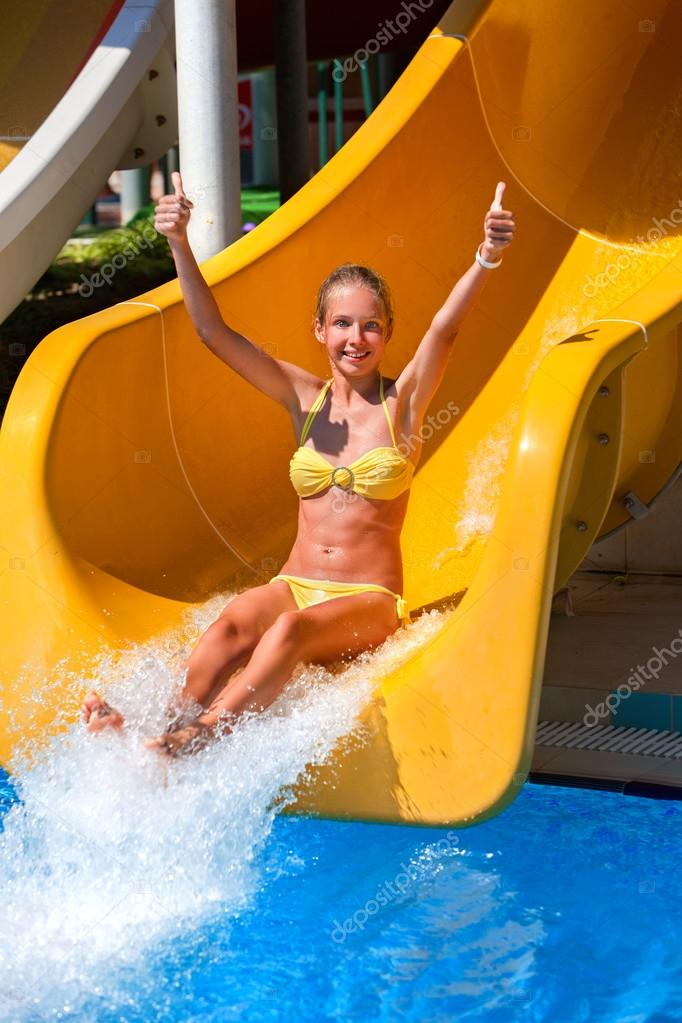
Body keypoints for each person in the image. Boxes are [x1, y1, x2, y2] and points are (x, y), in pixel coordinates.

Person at [82, 172, 516, 754]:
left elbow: (446, 328)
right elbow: (213, 333)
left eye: (371, 325)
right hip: (295, 583)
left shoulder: (402, 403)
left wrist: (486, 258)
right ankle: (154, 726)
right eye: (341, 323)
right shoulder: (304, 400)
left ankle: (194, 741)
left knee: (286, 631)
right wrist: (179, 243)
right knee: (237, 620)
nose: (355, 337)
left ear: (387, 335)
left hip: (369, 601)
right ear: (319, 330)